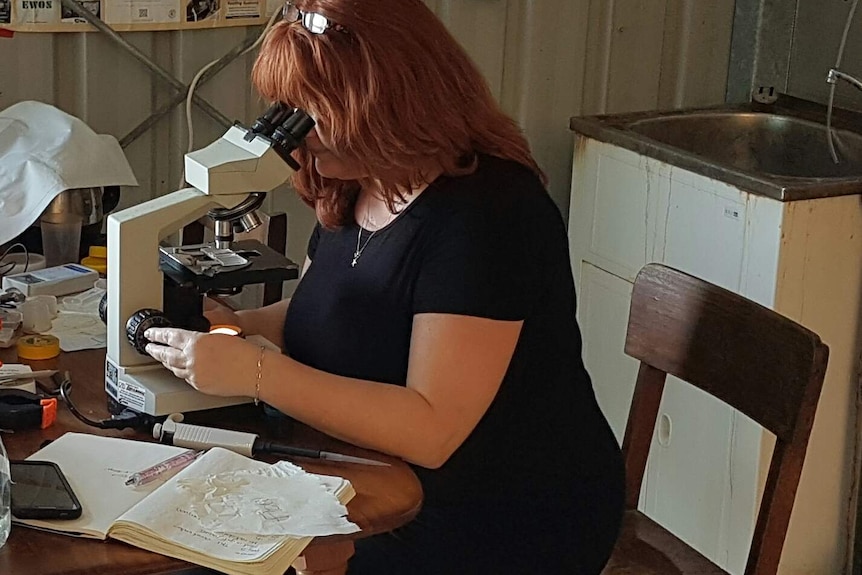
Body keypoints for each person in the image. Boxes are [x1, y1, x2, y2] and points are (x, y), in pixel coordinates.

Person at [143, 1, 625, 573]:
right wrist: (233, 327)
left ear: (388, 102)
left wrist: (253, 371)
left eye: (315, 114)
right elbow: (338, 312)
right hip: (373, 475)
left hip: (496, 514)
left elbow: (431, 429)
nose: (299, 140)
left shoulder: (490, 214)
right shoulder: (356, 184)